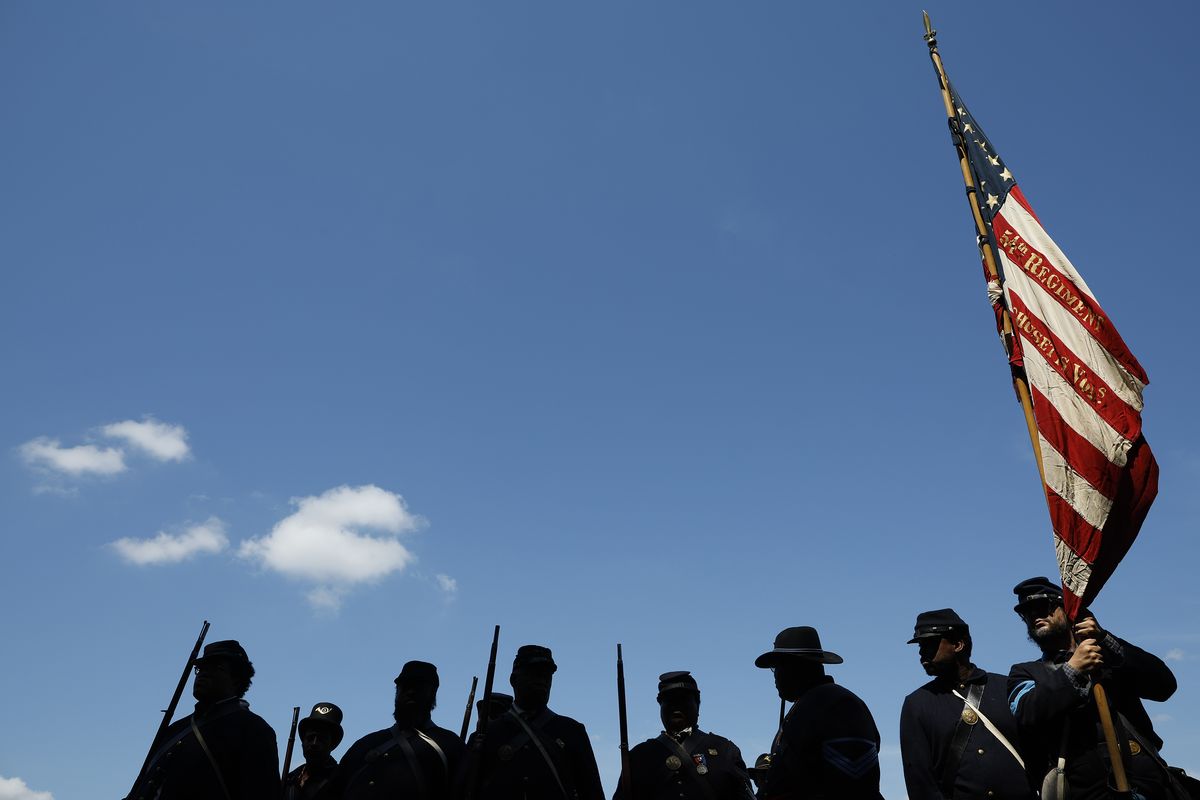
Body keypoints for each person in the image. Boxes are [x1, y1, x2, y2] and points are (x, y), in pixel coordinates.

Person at [1007, 577, 1178, 799]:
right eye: (1026, 612)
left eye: (1043, 607)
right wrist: (1074, 669)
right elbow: (1027, 713)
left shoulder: (1108, 656)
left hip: (1153, 788)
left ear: (1067, 610)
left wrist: (1104, 639)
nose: (1035, 616)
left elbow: (1164, 686)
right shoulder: (1024, 673)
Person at [899, 608, 1035, 800]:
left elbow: (1037, 753)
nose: (922, 653)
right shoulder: (917, 704)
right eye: (920, 646)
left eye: (930, 644)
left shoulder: (1006, 688)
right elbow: (921, 783)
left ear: (958, 644)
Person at [127, 639, 280, 800]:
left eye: (216, 667)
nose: (203, 673)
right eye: (200, 668)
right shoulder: (175, 729)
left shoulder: (253, 729)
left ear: (236, 679)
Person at [754, 626, 883, 800]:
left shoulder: (839, 705)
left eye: (778, 667)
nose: (775, 675)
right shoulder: (810, 704)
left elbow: (853, 784)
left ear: (797, 667)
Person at [460, 644, 604, 800]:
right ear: (513, 679)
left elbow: (591, 792)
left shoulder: (572, 731)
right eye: (534, 673)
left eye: (546, 675)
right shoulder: (485, 735)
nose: (542, 681)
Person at [330, 660, 465, 799]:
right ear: (397, 691)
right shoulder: (365, 745)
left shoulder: (450, 745)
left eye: (418, 687)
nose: (410, 692)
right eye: (405, 686)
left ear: (432, 693)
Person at [613, 670, 754, 800]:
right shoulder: (639, 756)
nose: (676, 706)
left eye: (683, 699)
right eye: (669, 700)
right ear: (660, 706)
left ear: (697, 704)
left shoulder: (725, 751)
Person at [284, 702, 343, 800]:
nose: (314, 743)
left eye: (321, 739)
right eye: (310, 738)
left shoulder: (341, 779)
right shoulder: (290, 779)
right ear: (303, 741)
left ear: (332, 745)